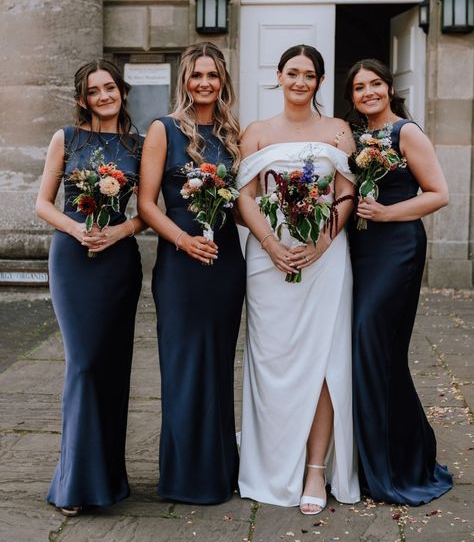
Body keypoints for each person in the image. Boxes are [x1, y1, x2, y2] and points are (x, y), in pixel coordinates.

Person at [236, 44, 360, 514]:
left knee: (324, 358)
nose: (300, 81)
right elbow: (245, 196)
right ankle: (268, 460)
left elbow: (347, 191)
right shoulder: (257, 132)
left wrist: (323, 242)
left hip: (325, 255)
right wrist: (271, 244)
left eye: (309, 75)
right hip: (270, 258)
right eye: (293, 73)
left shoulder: (338, 131)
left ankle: (314, 469)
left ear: (320, 82)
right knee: (272, 360)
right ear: (279, 76)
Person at [137, 42, 245, 504]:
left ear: (223, 82)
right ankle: (184, 477)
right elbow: (146, 203)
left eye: (213, 76)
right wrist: (183, 241)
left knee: (219, 365)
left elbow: (240, 208)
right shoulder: (163, 130)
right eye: (197, 75)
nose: (204, 83)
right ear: (184, 80)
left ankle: (219, 472)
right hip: (181, 263)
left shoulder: (232, 134)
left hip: (224, 262)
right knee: (183, 365)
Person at [36, 59, 145, 515]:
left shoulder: (139, 145)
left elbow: (149, 212)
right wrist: (77, 230)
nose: (104, 96)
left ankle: (108, 480)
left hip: (118, 262)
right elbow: (42, 203)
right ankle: (74, 483)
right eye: (94, 91)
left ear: (122, 91)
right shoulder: (67, 138)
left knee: (112, 368)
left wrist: (119, 232)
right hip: (73, 259)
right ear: (83, 98)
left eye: (110, 88)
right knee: (82, 364)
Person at [345, 58, 453, 505]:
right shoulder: (353, 137)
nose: (367, 92)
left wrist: (388, 212)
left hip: (398, 248)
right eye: (358, 87)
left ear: (389, 88)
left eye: (374, 84)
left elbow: (439, 194)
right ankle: (391, 454)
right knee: (373, 352)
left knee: (372, 338)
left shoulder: (406, 132)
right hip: (361, 250)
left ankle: (402, 463)